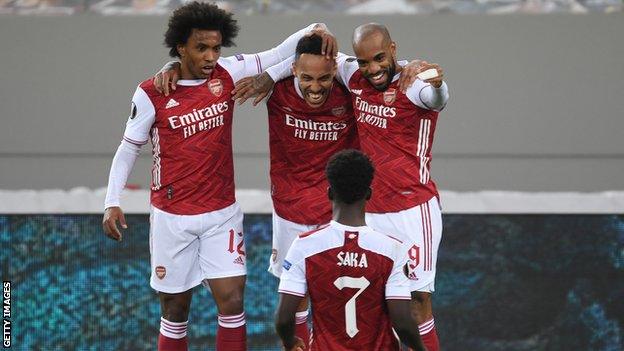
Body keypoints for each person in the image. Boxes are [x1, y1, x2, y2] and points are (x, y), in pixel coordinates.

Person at [101, 2, 335, 350]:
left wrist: (318, 28)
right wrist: (112, 201)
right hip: (172, 217)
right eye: (201, 48)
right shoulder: (152, 92)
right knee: (176, 310)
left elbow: (281, 52)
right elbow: (128, 148)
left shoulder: (228, 72)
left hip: (220, 214)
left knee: (232, 302)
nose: (211, 56)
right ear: (180, 47)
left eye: (216, 47)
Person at [234, 23, 449, 351]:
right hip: (371, 213)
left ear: (393, 49)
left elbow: (437, 96)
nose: (373, 69)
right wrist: (272, 75)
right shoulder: (352, 76)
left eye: (379, 58)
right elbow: (317, 50)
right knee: (375, 308)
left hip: (412, 209)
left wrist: (430, 75)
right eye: (365, 61)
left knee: (417, 302)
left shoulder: (413, 84)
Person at [275, 149, 426, 351]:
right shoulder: (393, 249)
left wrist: (290, 341)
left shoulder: (304, 246)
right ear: (369, 193)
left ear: (329, 192)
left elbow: (284, 318)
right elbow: (402, 322)